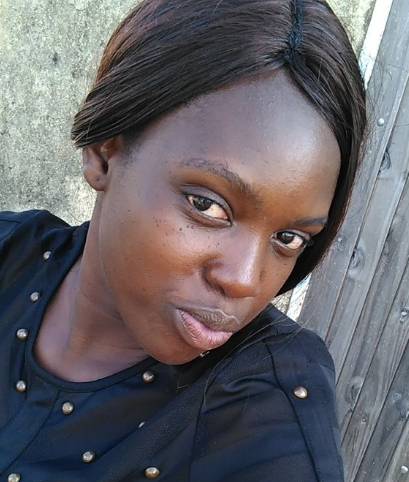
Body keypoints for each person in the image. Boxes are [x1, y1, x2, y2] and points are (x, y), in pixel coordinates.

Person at [0, 0, 367, 480]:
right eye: (207, 205)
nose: (244, 281)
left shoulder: (266, 401)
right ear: (104, 151)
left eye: (288, 237)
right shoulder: (11, 250)